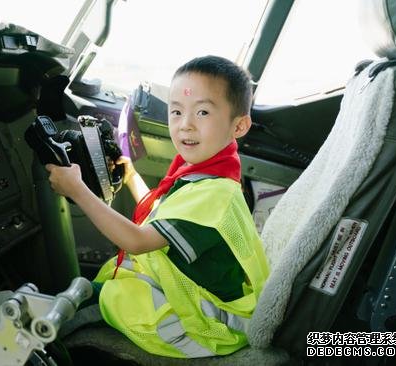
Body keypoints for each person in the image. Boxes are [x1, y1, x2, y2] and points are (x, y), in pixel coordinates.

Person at [46, 55, 269, 358]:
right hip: (199, 303)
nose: (185, 125)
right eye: (176, 111)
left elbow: (137, 242)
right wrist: (131, 177)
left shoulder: (214, 197)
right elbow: (165, 213)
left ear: (239, 126)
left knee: (72, 305)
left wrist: (77, 190)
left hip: (200, 326)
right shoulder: (210, 176)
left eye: (202, 112)